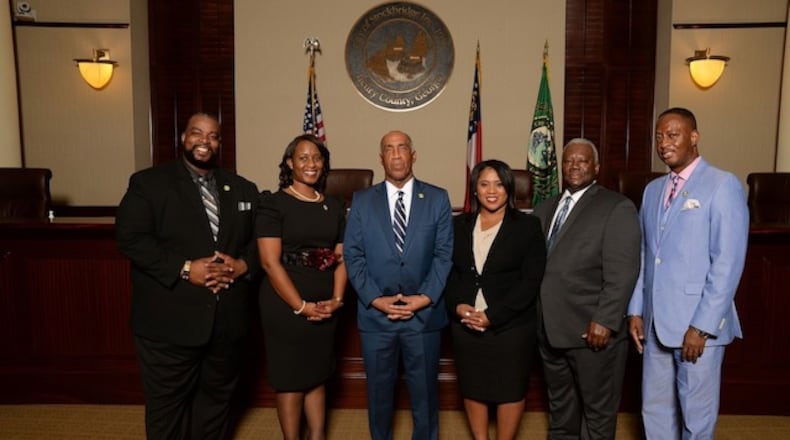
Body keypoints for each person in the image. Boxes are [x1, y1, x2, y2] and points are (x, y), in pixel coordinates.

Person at [116, 112, 259, 439]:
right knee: (167, 411)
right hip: (169, 324)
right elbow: (130, 239)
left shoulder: (242, 188)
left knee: (216, 407)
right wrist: (184, 268)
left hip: (226, 324)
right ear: (184, 138)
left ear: (219, 143)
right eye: (197, 133)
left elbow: (258, 241)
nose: (204, 142)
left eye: (212, 136)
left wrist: (243, 265)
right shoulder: (148, 183)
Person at [628, 107, 749, 439]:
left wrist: (702, 327)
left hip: (697, 328)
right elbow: (646, 256)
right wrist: (636, 309)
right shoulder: (652, 191)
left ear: (693, 137)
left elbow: (727, 264)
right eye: (658, 136)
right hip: (654, 324)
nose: (663, 143)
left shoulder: (723, 184)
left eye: (672, 135)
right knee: (654, 412)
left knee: (696, 419)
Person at [343, 130, 453, 440]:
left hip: (423, 317)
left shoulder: (437, 197)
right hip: (376, 317)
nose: (395, 155)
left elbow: (443, 255)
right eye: (388, 149)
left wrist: (425, 297)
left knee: (426, 397)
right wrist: (376, 299)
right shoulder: (363, 201)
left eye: (402, 148)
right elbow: (353, 256)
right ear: (381, 158)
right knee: (379, 398)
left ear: (413, 155)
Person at [532, 138, 642, 439]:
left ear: (596, 167)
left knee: (597, 415)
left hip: (592, 332)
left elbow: (623, 272)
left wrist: (605, 320)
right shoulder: (544, 209)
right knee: (561, 413)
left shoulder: (616, 207)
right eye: (569, 161)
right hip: (550, 331)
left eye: (582, 161)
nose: (575, 166)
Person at [444, 159, 546, 440]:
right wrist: (458, 306)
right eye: (484, 184)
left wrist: (493, 315)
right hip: (466, 324)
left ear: (509, 189)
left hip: (511, 327)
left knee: (510, 389)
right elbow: (448, 272)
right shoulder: (457, 225)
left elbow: (531, 281)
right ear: (474, 189)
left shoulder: (528, 226)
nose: (492, 191)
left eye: (499, 184)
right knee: (473, 385)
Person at [256, 134, 347, 440]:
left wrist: (336, 299)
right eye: (303, 157)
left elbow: (342, 257)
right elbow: (270, 263)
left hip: (324, 303)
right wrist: (300, 306)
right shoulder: (272, 203)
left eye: (317, 158)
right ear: (289, 163)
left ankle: (318, 436)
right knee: (292, 378)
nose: (311, 163)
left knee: (317, 373)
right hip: (285, 305)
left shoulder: (335, 206)